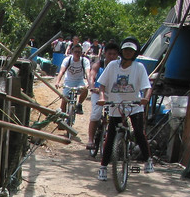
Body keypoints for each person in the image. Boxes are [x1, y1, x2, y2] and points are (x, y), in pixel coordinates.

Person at [95, 37, 153, 181]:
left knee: (139, 132)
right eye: (126, 50)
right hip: (116, 105)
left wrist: (145, 99)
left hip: (134, 105)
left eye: (131, 51)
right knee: (111, 137)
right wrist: (102, 98)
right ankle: (103, 167)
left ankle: (148, 160)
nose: (128, 53)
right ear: (122, 51)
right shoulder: (113, 66)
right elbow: (102, 85)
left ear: (135, 53)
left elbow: (147, 88)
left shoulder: (139, 67)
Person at [87, 41, 120, 149]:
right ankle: (90, 140)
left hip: (113, 93)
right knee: (96, 114)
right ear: (105, 54)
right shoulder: (99, 64)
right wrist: (92, 87)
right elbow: (92, 76)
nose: (112, 56)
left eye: (114, 54)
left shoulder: (120, 66)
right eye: (109, 54)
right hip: (98, 92)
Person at [54, 43, 90, 115]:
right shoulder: (67, 60)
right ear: (72, 52)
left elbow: (87, 73)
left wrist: (89, 83)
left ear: (81, 53)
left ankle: (79, 104)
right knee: (64, 101)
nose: (77, 53)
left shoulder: (85, 61)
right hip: (68, 82)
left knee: (85, 90)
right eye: (75, 51)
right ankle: (62, 119)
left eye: (79, 52)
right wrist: (57, 82)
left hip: (79, 81)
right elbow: (62, 71)